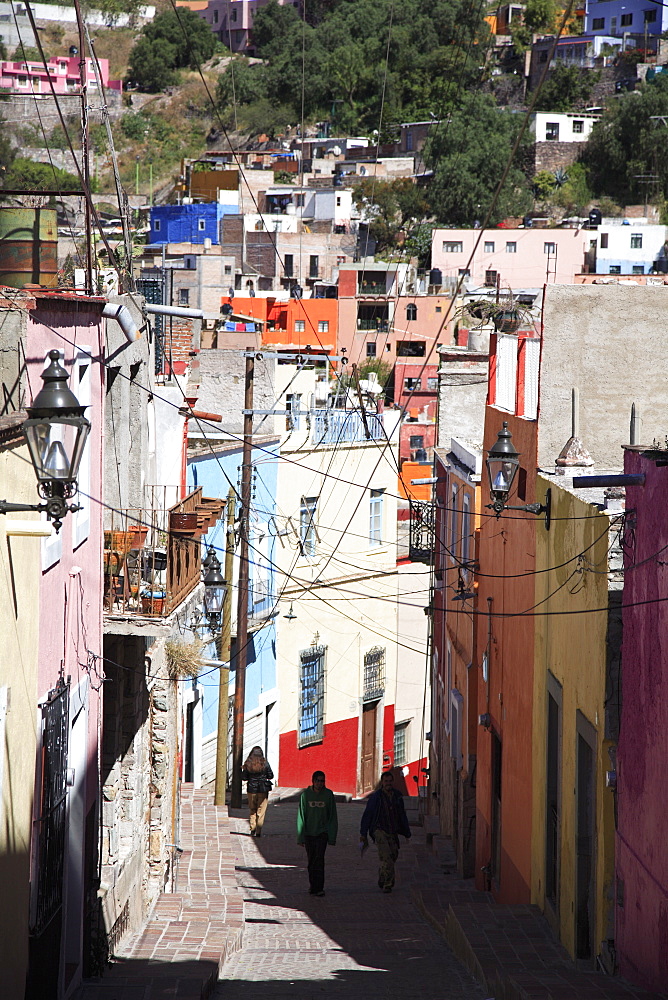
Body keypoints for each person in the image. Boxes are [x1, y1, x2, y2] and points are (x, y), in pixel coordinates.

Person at [359, 770, 411, 893]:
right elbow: (368, 815)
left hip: (393, 831)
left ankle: (382, 875)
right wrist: (363, 833)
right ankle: (388, 884)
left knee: (393, 855)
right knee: (386, 857)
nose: (388, 783)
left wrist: (406, 831)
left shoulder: (397, 796)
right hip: (379, 830)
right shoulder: (376, 798)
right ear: (382, 782)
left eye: (390, 781)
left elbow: (401, 814)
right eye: (385, 781)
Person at [296, 770, 338, 896]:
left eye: (322, 781)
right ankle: (312, 885)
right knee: (311, 860)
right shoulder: (305, 795)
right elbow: (301, 816)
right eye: (318, 781)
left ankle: (319, 887)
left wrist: (332, 835)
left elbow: (332, 816)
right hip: (309, 833)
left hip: (322, 833)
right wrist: (300, 836)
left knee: (319, 860)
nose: (320, 783)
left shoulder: (328, 795)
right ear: (313, 781)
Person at [241, 746, 274, 837]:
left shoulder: (248, 763)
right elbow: (271, 775)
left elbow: (244, 777)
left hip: (251, 789)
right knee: (261, 810)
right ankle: (258, 831)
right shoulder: (265, 763)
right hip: (263, 789)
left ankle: (252, 828)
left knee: (252, 809)